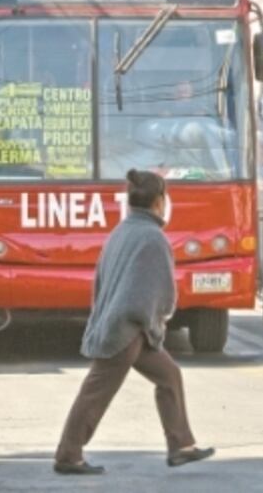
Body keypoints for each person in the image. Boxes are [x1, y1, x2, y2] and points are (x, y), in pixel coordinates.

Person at [53, 169, 214, 475]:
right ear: (159, 201)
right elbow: (160, 295)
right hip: (127, 330)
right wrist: (157, 324)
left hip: (122, 326)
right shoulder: (153, 238)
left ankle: (181, 445)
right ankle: (68, 455)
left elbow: (100, 282)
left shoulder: (121, 232)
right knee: (96, 392)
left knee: (169, 376)